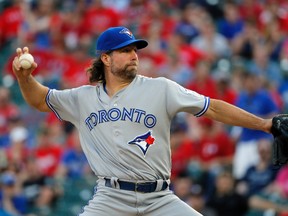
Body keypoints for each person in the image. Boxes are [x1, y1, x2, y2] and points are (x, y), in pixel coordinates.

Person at [12, 26, 273, 216]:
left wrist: (265, 124)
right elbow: (40, 100)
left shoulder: (161, 88)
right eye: (125, 51)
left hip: (160, 198)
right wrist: (25, 78)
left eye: (134, 50)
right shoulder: (82, 98)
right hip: (110, 198)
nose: (134, 55)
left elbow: (213, 108)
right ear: (106, 58)